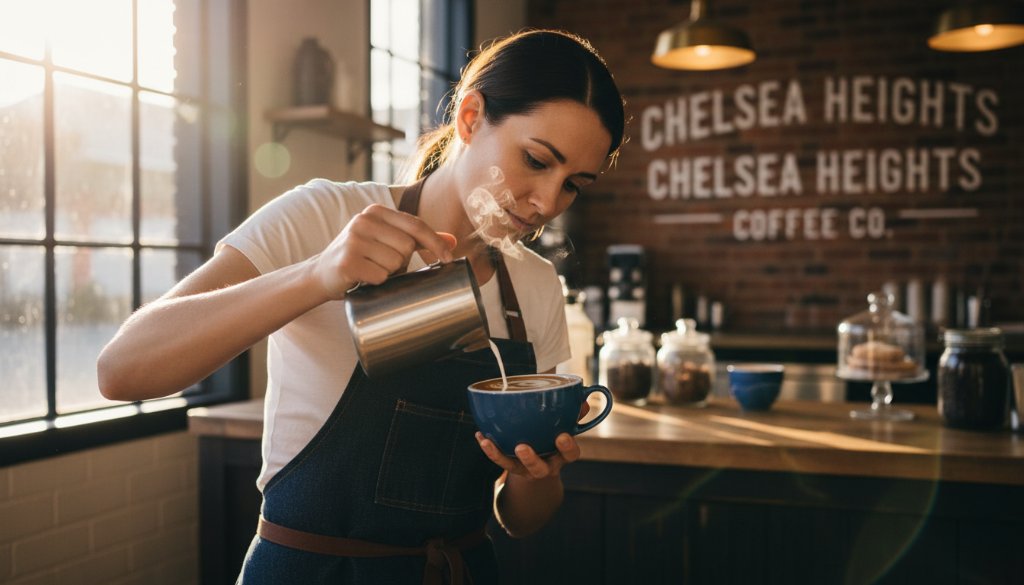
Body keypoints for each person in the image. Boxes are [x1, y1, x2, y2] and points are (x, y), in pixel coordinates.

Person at [98, 28, 625, 584]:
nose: (547, 203)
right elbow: (123, 369)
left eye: (574, 184)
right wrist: (316, 275)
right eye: (537, 160)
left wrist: (536, 476)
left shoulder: (535, 286)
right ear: (470, 118)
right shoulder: (324, 215)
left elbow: (521, 521)